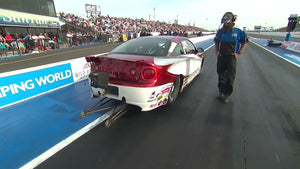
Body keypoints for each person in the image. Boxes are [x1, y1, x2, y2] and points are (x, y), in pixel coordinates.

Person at [214, 12, 248, 103]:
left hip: (232, 57)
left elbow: (245, 42)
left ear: (232, 21)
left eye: (227, 23)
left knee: (230, 76)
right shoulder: (220, 31)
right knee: (221, 74)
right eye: (224, 23)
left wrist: (239, 53)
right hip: (221, 56)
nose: (226, 24)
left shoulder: (238, 31)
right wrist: (216, 51)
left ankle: (227, 94)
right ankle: (221, 92)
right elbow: (216, 41)